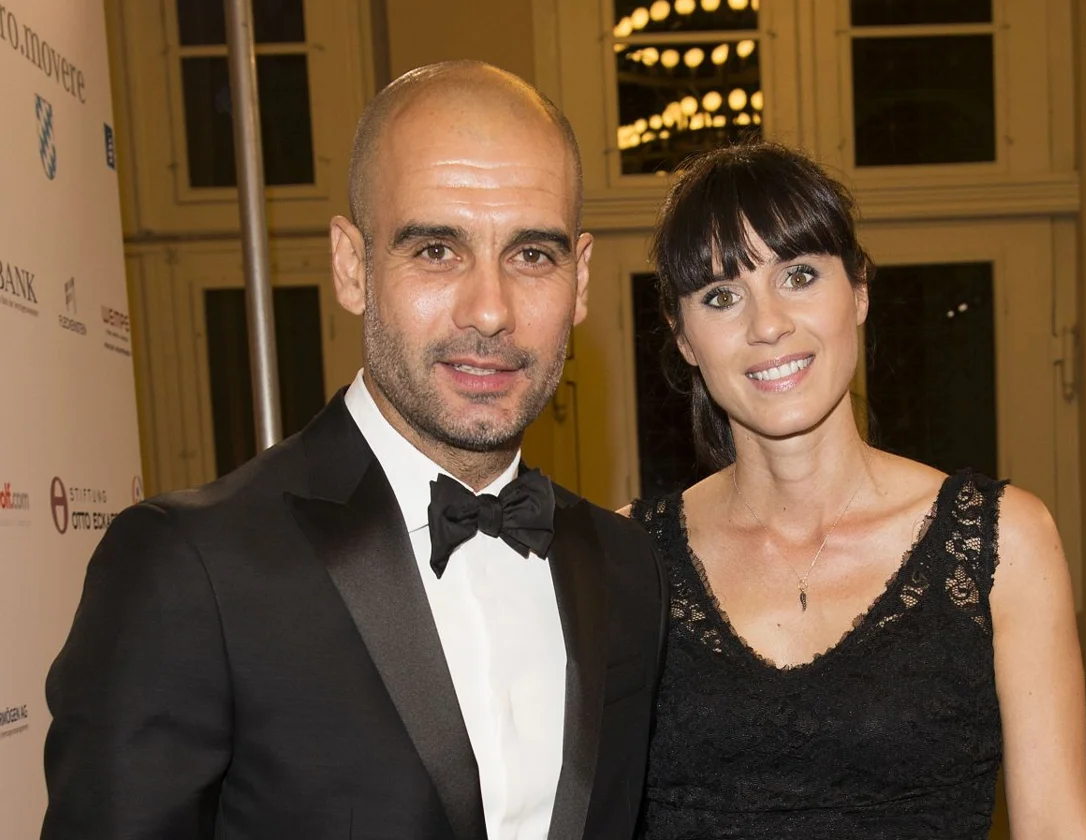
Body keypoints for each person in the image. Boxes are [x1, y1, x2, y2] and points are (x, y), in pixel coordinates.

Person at [42, 61, 665, 840]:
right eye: (436, 250)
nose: (489, 310)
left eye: (532, 255)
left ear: (580, 280)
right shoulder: (189, 570)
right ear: (351, 266)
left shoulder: (625, 569)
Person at [626, 142, 1086, 839]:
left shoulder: (1002, 544)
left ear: (859, 292)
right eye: (721, 296)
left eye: (798, 275)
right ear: (685, 339)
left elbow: (1057, 825)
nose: (767, 325)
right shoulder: (626, 558)